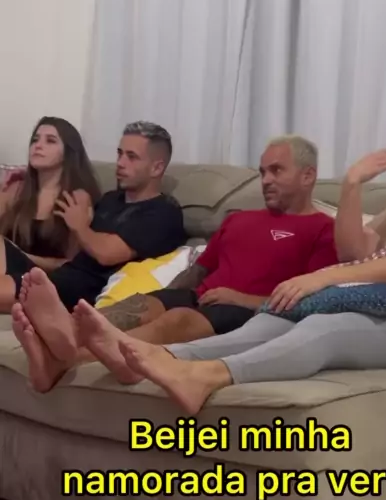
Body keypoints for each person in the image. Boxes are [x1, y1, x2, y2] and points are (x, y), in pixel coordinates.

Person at [32, 95, 386, 413]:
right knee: (273, 321)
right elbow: (355, 252)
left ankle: (203, 375)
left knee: (322, 326)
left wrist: (321, 278)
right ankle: (113, 353)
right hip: (365, 299)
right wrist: (352, 184)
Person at [12, 135, 338, 389]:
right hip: (200, 296)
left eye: (276, 171)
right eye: (263, 172)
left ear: (308, 175)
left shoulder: (323, 229)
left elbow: (312, 301)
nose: (265, 180)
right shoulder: (239, 219)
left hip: (249, 312)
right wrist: (162, 296)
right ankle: (63, 338)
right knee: (136, 307)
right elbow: (199, 270)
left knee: (178, 319)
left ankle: (65, 360)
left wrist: (241, 298)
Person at [4, 122, 185, 336]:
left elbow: (106, 254)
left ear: (157, 168)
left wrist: (79, 226)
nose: (120, 163)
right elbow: (74, 254)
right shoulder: (111, 200)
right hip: (60, 278)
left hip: (82, 292)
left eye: (132, 157)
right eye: (119, 154)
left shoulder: (163, 212)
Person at [0, 117, 101, 309]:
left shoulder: (76, 198)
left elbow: (72, 265)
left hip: (43, 278)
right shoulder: (16, 190)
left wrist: (21, 255)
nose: (38, 146)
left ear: (68, 153)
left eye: (50, 141)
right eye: (35, 140)